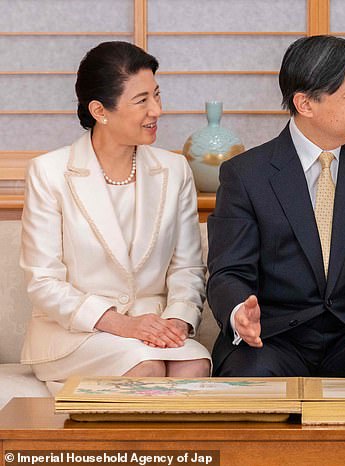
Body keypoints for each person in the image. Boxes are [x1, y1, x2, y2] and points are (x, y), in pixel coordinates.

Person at [207, 35, 345, 378]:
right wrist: (238, 314)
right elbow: (229, 271)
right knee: (250, 379)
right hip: (273, 339)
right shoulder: (246, 175)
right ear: (305, 104)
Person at [20, 41, 211, 388]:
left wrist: (178, 321)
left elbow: (188, 268)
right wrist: (119, 323)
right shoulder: (49, 173)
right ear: (100, 110)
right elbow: (44, 282)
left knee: (194, 365)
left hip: (152, 328)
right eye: (142, 101)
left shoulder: (175, 169)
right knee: (147, 368)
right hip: (77, 332)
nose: (156, 110)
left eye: (157, 95)